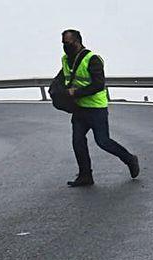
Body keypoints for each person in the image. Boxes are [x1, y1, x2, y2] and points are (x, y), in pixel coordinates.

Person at [56, 29, 139, 187]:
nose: (65, 46)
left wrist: (76, 92)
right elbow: (62, 79)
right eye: (63, 43)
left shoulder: (92, 59)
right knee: (77, 141)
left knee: (103, 141)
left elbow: (99, 85)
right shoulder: (66, 60)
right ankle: (85, 176)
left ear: (77, 41)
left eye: (68, 43)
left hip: (96, 109)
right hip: (79, 109)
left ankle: (130, 159)